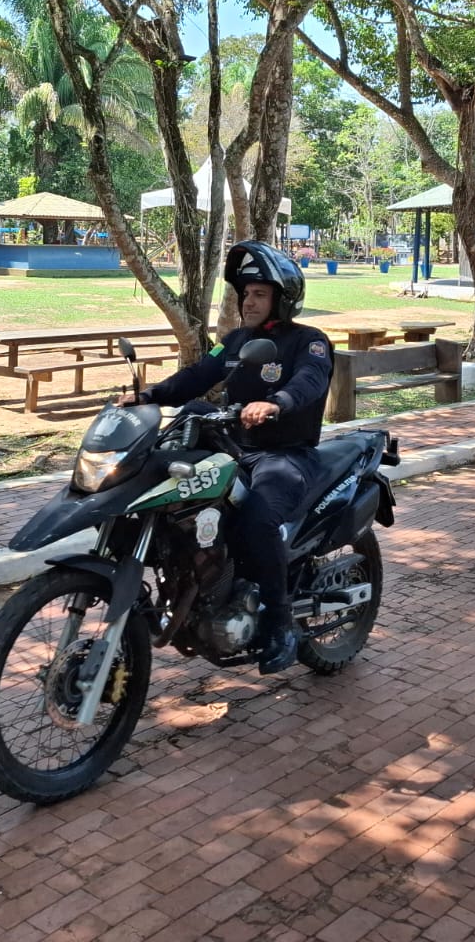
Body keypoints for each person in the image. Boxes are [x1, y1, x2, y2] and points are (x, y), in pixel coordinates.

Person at [118, 241, 333, 675]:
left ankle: (278, 623)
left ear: (282, 299)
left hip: (284, 455)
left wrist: (277, 403)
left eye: (259, 294)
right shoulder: (235, 342)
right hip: (232, 449)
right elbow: (198, 376)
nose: (248, 302)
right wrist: (147, 396)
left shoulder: (309, 342)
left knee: (257, 517)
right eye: (245, 294)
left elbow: (311, 381)